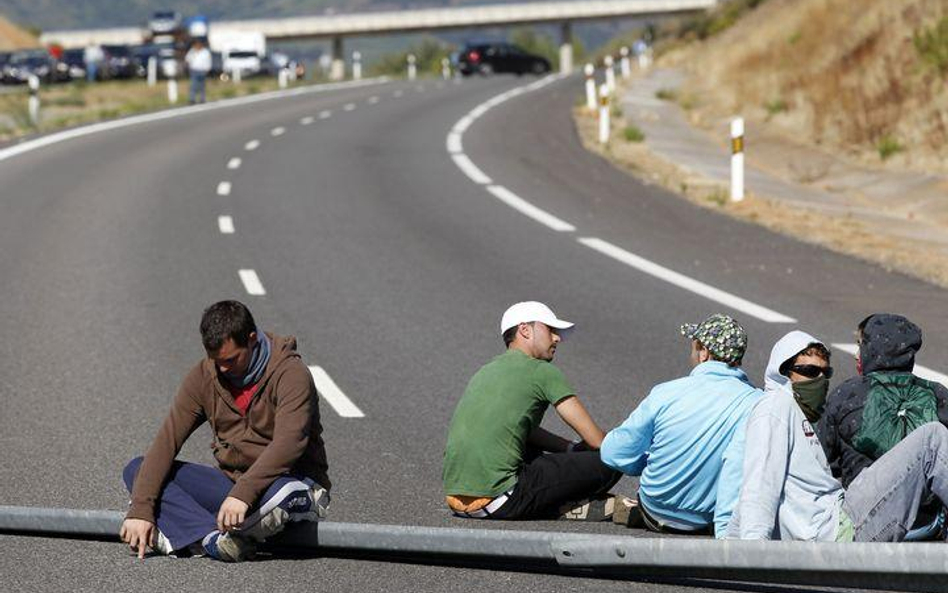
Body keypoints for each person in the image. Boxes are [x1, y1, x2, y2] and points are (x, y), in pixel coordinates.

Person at [120, 300, 330, 561]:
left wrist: (242, 495)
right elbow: (167, 441)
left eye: (231, 359)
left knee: (284, 493)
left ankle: (189, 530)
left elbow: (289, 443)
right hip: (232, 488)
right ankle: (212, 540)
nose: (223, 368)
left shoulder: (290, 374)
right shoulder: (204, 377)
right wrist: (141, 510)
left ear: (252, 340)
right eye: (216, 360)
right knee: (138, 470)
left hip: (288, 480)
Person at [730, 329, 948, 542]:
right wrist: (750, 552)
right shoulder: (774, 408)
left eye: (826, 373)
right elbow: (759, 483)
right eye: (809, 371)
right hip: (835, 530)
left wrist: (727, 540)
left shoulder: (796, 413)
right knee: (932, 439)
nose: (820, 379)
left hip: (840, 508)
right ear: (783, 371)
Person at [442, 301, 621, 521]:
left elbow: (523, 429)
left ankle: (552, 500)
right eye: (550, 330)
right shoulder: (542, 372)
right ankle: (567, 505)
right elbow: (597, 441)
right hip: (501, 501)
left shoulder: (485, 371)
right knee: (613, 458)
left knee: (527, 448)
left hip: (456, 500)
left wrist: (571, 449)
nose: (557, 338)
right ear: (525, 330)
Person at [600, 313, 761, 535]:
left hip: (654, 507)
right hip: (708, 518)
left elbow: (613, 452)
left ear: (704, 352)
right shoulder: (756, 402)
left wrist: (645, 461)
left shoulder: (666, 392)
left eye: (694, 346)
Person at [185, 39, 212, 104]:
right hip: (194, 70)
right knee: (193, 85)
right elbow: (187, 59)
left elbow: (208, 61)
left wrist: (208, 69)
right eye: (196, 44)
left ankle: (202, 99)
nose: (197, 46)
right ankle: (192, 99)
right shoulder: (192, 51)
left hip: (203, 70)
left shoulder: (205, 52)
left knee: (202, 85)